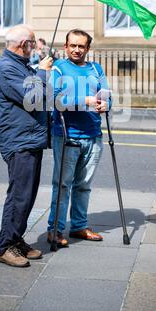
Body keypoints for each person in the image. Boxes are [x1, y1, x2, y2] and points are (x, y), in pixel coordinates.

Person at [0, 24, 53, 267]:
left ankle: (16, 240)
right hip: (19, 141)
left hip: (30, 138)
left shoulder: (20, 65)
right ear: (22, 45)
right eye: (32, 42)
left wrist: (40, 70)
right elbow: (32, 97)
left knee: (27, 196)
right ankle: (5, 246)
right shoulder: (6, 68)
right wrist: (42, 72)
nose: (35, 45)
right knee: (19, 196)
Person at [47, 29, 110, 248]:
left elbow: (106, 95)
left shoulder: (96, 68)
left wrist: (105, 104)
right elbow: (55, 100)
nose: (76, 50)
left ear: (88, 49)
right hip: (67, 136)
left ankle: (79, 226)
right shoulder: (58, 68)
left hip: (93, 136)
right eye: (72, 45)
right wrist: (84, 100)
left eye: (81, 46)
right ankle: (54, 230)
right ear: (65, 47)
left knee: (83, 186)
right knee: (63, 185)